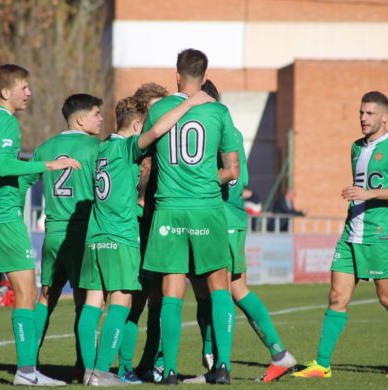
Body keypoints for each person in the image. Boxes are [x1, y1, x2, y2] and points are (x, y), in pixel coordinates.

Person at [0, 63, 80, 386]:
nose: (29, 93)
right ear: (6, 92)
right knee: (27, 290)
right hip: (3, 218)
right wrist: (49, 164)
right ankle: (26, 371)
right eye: (24, 87)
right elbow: (6, 164)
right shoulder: (5, 122)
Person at [78, 91, 214, 386]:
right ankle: (102, 372)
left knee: (92, 302)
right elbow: (156, 131)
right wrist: (189, 103)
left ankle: (88, 370)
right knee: (122, 301)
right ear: (137, 125)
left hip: (94, 236)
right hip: (120, 235)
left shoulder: (100, 150)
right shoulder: (127, 148)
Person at [293, 91, 388, 379]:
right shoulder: (355, 147)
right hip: (350, 232)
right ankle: (322, 364)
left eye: (369, 113)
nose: (363, 118)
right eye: (361, 113)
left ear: (384, 117)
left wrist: (370, 193)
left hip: (379, 234)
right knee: (336, 296)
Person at [184, 80, 297, 384]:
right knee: (228, 290)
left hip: (219, 219)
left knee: (221, 290)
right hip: (229, 217)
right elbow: (240, 175)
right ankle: (276, 355)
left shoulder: (213, 127)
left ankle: (222, 362)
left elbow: (224, 176)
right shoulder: (229, 128)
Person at [141, 48, 240, 385]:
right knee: (219, 288)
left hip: (168, 207)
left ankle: (168, 370)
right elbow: (231, 169)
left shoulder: (160, 109)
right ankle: (223, 366)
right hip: (206, 208)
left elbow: (144, 157)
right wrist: (203, 184)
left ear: (177, 75)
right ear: (205, 73)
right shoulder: (219, 111)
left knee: (171, 291)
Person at [19, 93, 103, 381]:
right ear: (80, 119)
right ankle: (86, 368)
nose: (101, 119)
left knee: (46, 299)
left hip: (52, 234)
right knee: (86, 301)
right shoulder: (96, 147)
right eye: (96, 113)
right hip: (82, 233)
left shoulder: (44, 148)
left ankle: (29, 366)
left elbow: (22, 183)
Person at [116, 82, 169, 383]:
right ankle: (124, 365)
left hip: (158, 226)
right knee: (134, 302)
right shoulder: (134, 147)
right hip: (135, 226)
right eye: (155, 107)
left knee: (161, 301)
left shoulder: (161, 144)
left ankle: (153, 362)